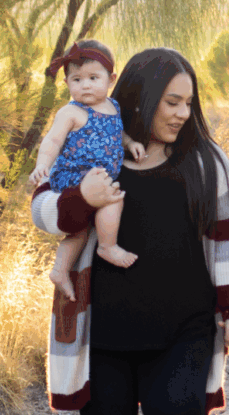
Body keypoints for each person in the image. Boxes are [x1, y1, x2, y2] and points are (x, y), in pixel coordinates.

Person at [31, 47, 229, 415]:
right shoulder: (100, 146)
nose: (181, 113)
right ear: (144, 96)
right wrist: (81, 196)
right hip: (103, 329)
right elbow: (44, 210)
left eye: (188, 103)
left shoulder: (207, 162)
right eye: (171, 102)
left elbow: (227, 239)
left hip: (185, 325)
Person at [29, 39, 147, 300]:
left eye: (93, 77)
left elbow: (119, 134)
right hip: (74, 177)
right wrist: (42, 166)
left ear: (110, 79)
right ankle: (108, 246)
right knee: (113, 199)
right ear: (67, 83)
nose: (85, 85)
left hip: (95, 178)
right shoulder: (71, 112)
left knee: (80, 229)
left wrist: (132, 143)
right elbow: (52, 141)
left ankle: (60, 270)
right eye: (76, 79)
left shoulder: (113, 107)